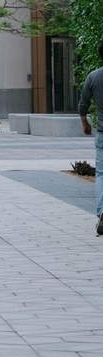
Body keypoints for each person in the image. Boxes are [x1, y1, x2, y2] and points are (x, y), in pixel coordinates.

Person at [78, 42, 103, 236]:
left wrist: (84, 123)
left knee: (102, 175)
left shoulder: (93, 76)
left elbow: (83, 103)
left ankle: (102, 210)